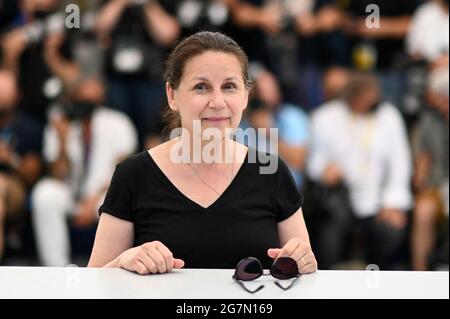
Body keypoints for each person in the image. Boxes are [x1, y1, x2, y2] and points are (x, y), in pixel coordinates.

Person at [88, 31, 317, 275]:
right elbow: (94, 280)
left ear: (246, 96)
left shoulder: (270, 170)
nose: (217, 101)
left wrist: (303, 262)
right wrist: (124, 260)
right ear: (172, 95)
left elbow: (304, 272)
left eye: (229, 86)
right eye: (201, 87)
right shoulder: (133, 175)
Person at [307, 72, 412, 269]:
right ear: (351, 98)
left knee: (391, 231)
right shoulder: (325, 117)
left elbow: (400, 164)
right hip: (338, 198)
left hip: (377, 199)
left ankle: (373, 278)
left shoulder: (389, 117)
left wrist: (393, 201)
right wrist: (324, 170)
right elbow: (314, 161)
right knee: (328, 231)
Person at [31, 77, 138, 266]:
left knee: (116, 199)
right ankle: (57, 269)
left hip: (105, 193)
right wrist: (62, 141)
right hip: (70, 193)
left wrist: (92, 203)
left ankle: (107, 270)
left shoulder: (118, 122)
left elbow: (125, 172)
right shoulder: (61, 123)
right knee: (44, 194)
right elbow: (58, 175)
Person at [0, 70, 43, 263]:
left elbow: (31, 175)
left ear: (16, 97)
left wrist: (10, 158)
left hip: (14, 186)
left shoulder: (28, 127)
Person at [411, 67, 449, 271]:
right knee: (423, 211)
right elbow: (423, 159)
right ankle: (420, 272)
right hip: (436, 185)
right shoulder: (429, 120)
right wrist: (420, 179)